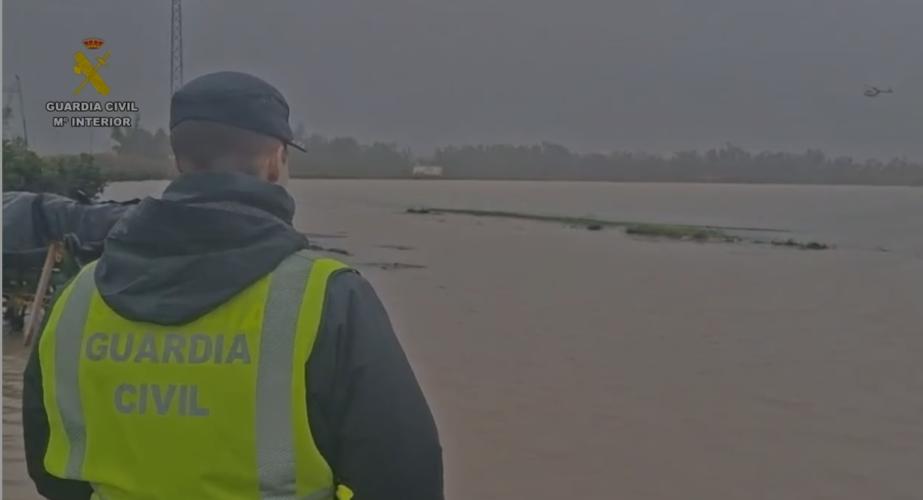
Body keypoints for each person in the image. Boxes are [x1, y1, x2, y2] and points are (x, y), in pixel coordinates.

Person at [22, 71, 443, 500]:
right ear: (276, 159)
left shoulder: (76, 298)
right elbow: (404, 480)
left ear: (179, 162)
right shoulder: (328, 297)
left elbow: (52, 467)